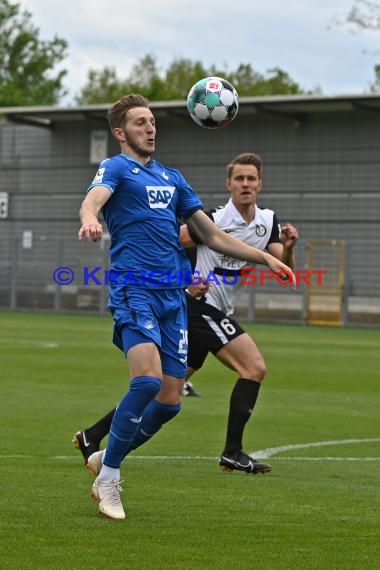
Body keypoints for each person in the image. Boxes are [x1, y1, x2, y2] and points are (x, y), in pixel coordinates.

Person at [78, 94, 295, 520]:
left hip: (173, 299)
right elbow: (95, 198)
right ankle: (110, 477)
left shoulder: (173, 178)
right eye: (141, 122)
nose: (151, 127)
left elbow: (212, 236)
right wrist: (90, 217)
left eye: (153, 121)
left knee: (170, 400)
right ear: (121, 132)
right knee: (145, 382)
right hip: (134, 288)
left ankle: (105, 456)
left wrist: (267, 256)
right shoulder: (118, 168)